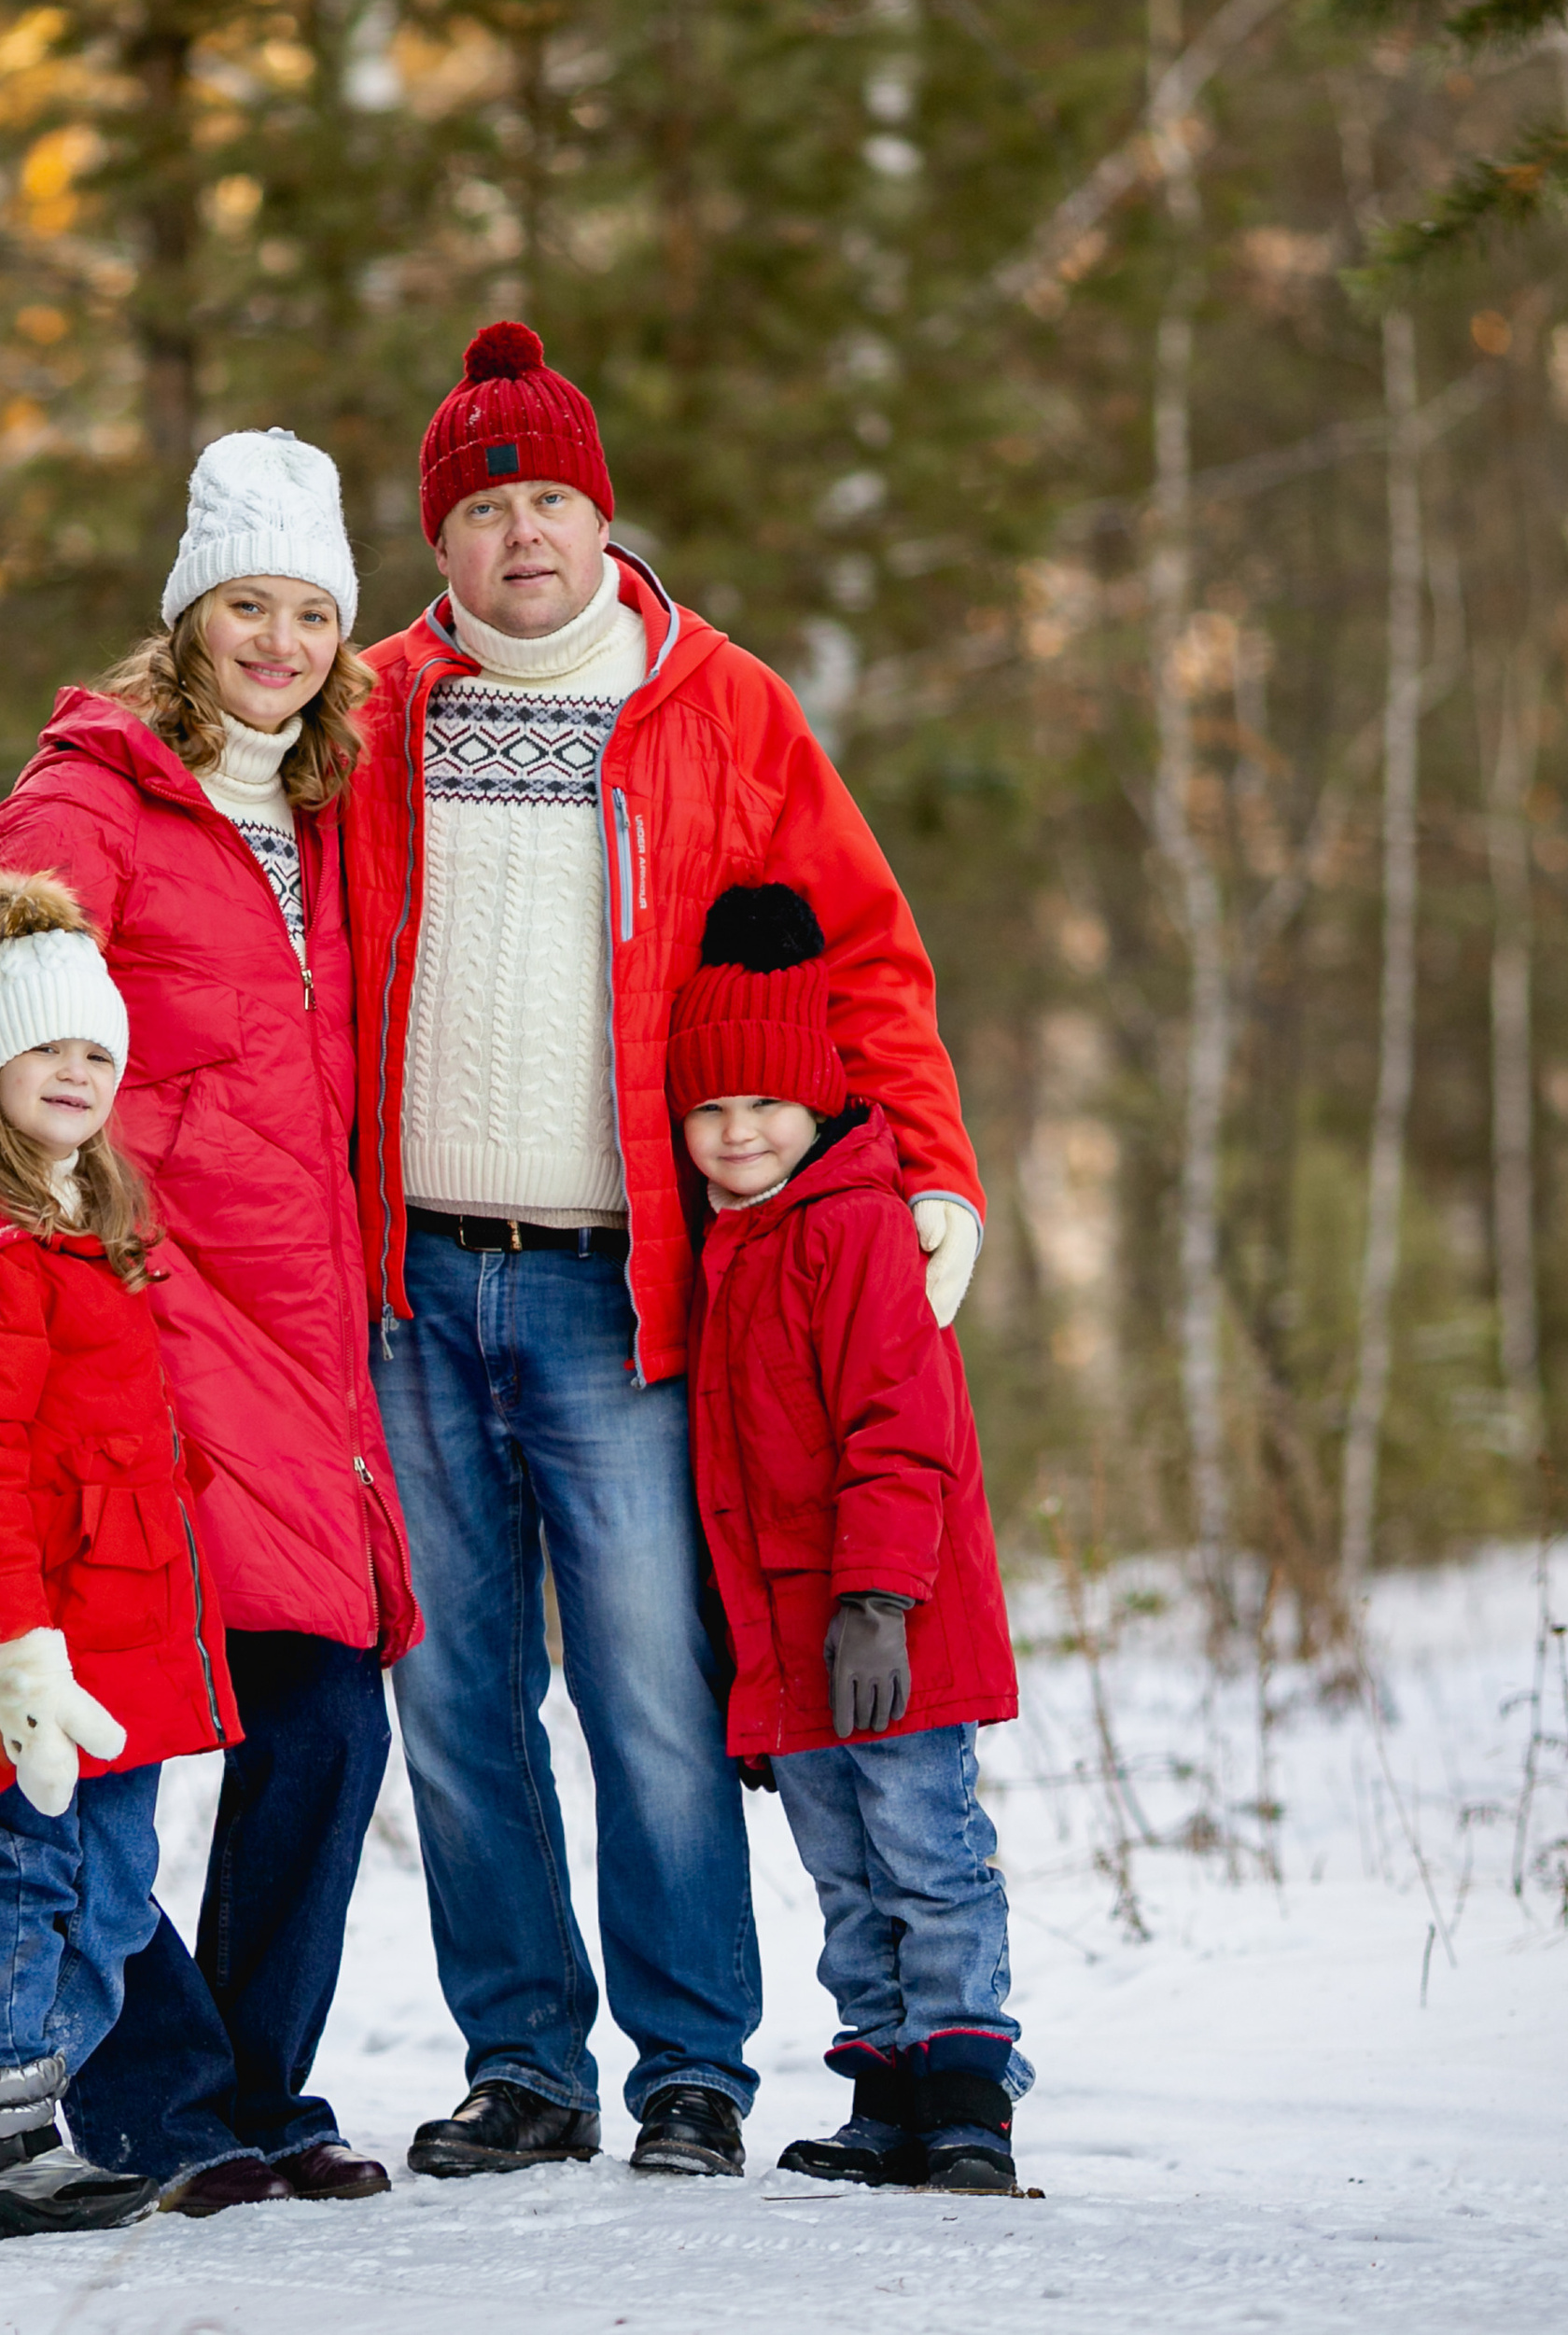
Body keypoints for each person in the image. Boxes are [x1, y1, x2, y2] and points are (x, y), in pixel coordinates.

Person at [345, 321, 987, 2178]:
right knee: (457, 1698)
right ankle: (522, 2062)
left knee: (649, 1684)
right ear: (440, 543)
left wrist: (926, 1170)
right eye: (483, 512)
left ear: (599, 515)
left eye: (549, 500)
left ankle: (691, 2066)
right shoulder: (369, 711)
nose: (520, 536)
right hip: (407, 1280)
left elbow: (859, 957)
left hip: (617, 1281)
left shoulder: (720, 703)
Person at [0, 430, 417, 2212]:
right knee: (132, 1722)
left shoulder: (337, 800)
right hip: (142, 1316)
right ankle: (165, 2098)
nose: (280, 643)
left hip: (304, 1332)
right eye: (247, 606)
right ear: (187, 618)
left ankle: (246, 2087)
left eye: (311, 611)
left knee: (321, 1721)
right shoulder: (98, 791)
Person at [0, 869, 243, 2242]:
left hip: (118, 1636)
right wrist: (16, 1655)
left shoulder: (99, 1231)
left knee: (113, 1890)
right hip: (30, 1650)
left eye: (98, 1050)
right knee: (31, 1877)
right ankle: (4, 2138)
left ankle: (0, 2128)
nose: (77, 1073)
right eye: (45, 1050)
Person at [671, 881, 1027, 2193]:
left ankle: (967, 2095)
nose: (738, 1131)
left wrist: (877, 1602)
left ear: (817, 1102)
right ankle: (886, 2090)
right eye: (710, 1108)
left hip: (894, 1625)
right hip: (795, 1647)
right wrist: (753, 1672)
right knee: (843, 1875)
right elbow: (727, 1491)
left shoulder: (857, 1229)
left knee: (928, 1855)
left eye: (765, 1102)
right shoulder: (726, 1251)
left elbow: (899, 1429)